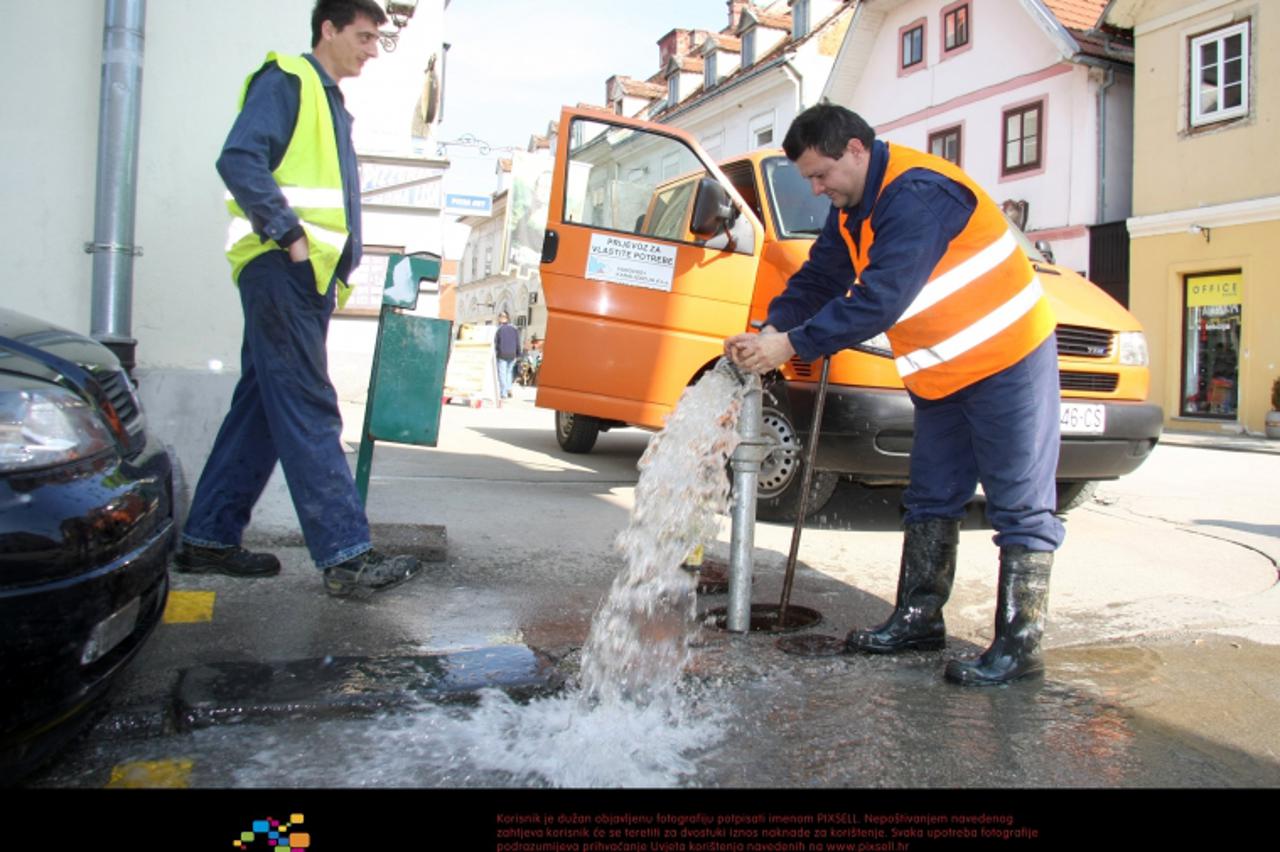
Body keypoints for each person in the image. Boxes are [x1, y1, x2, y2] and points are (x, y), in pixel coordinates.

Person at [726, 104, 1065, 685]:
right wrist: (770, 329)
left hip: (1008, 360)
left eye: (821, 174)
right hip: (942, 374)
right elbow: (820, 279)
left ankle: (1020, 644)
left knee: (1019, 506)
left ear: (856, 150)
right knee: (931, 496)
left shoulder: (917, 195)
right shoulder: (853, 209)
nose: (817, 188)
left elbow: (880, 299)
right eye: (809, 179)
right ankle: (919, 618)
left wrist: (792, 345)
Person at [175, 0, 423, 598]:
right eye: (363, 36)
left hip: (303, 280)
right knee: (310, 404)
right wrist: (288, 235)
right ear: (328, 29)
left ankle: (208, 538)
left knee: (260, 408)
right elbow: (239, 158)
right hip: (282, 272)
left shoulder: (329, 100)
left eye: (377, 40)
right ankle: (346, 556)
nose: (372, 50)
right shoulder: (288, 79)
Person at [494, 311, 520, 399]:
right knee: (509, 373)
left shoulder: (499, 330)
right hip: (512, 354)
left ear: (500, 319)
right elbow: (517, 342)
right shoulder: (514, 329)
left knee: (502, 374)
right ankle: (509, 389)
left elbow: (496, 343)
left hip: (502, 354)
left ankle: (504, 393)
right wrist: (518, 354)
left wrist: (496, 353)